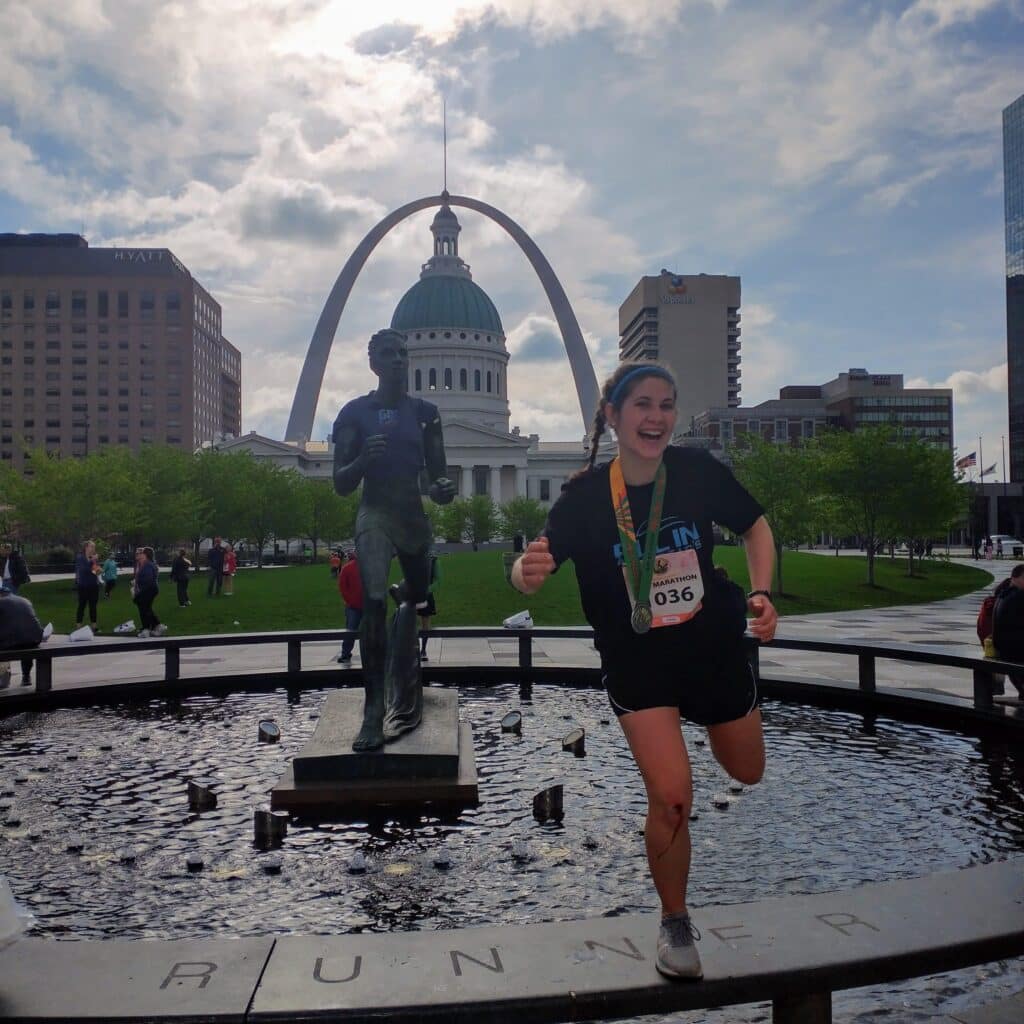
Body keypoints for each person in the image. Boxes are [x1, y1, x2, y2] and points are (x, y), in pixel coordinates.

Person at [512, 361, 777, 982]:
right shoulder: (582, 498)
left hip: (712, 646)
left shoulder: (696, 472)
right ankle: (675, 919)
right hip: (637, 661)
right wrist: (523, 573)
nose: (656, 417)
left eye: (666, 405)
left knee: (747, 769)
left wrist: (762, 594)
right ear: (612, 415)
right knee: (674, 794)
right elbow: (532, 565)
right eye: (642, 405)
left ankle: (716, 720)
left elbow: (757, 527)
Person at [332, 327, 456, 750]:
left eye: (403, 352)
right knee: (373, 599)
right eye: (390, 353)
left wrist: (441, 488)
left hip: (412, 518)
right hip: (376, 514)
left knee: (416, 592)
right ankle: (373, 713)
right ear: (374, 363)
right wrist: (363, 459)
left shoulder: (425, 412)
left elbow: (437, 474)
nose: (399, 359)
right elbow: (340, 484)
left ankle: (400, 646)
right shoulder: (354, 414)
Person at [0, 588, 43, 689]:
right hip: (34, 639)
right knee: (24, 640)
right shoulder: (25, 600)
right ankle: (26, 676)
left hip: (13, 642)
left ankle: (4, 676)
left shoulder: (1, 602)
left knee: (7, 641)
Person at [992, 564, 1024, 699]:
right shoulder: (1018, 596)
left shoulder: (1003, 594)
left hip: (1004, 649)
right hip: (1015, 652)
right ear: (1015, 578)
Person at [336, 550, 363, 664]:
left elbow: (342, 587)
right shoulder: (347, 568)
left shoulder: (348, 568)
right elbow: (343, 587)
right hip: (355, 606)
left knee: (350, 630)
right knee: (351, 631)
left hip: (357, 606)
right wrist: (350, 601)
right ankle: (345, 653)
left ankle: (346, 654)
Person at [134, 546, 165, 638]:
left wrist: (138, 583)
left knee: (144, 608)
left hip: (148, 589)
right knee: (146, 608)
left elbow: (148, 578)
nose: (140, 554)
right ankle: (156, 626)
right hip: (149, 589)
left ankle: (147, 629)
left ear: (146, 555)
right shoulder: (147, 564)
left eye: (142, 552)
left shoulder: (148, 564)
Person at [73, 540, 101, 633]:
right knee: (82, 605)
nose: (93, 549)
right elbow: (84, 569)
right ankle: (78, 626)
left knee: (93, 606)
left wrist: (98, 568)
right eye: (92, 546)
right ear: (86, 547)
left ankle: (94, 626)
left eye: (94, 547)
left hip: (93, 585)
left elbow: (94, 571)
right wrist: (92, 561)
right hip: (83, 586)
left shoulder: (93, 558)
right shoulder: (80, 557)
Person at [418, 555, 439, 661]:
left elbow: (438, 580)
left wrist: (428, 589)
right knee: (408, 623)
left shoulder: (433, 560)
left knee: (425, 625)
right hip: (412, 595)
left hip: (426, 595)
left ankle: (423, 650)